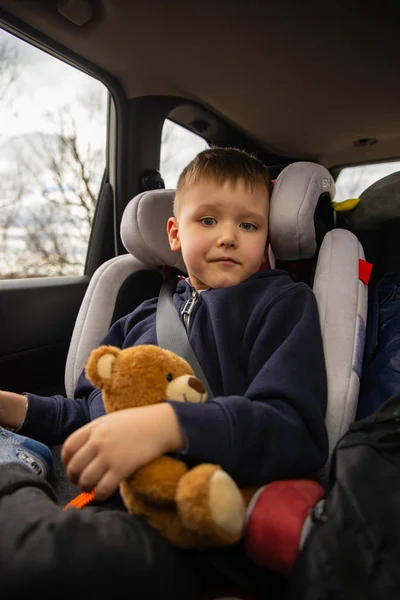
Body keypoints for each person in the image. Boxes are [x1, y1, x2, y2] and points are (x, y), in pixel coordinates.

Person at [0, 148, 328, 597]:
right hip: (106, 495)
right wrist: (15, 407)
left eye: (248, 225)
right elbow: (90, 413)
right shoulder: (137, 319)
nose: (229, 236)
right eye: (208, 220)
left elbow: (294, 430)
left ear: (267, 237)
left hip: (195, 523)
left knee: (40, 560)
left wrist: (170, 426)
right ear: (175, 233)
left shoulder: (283, 306)